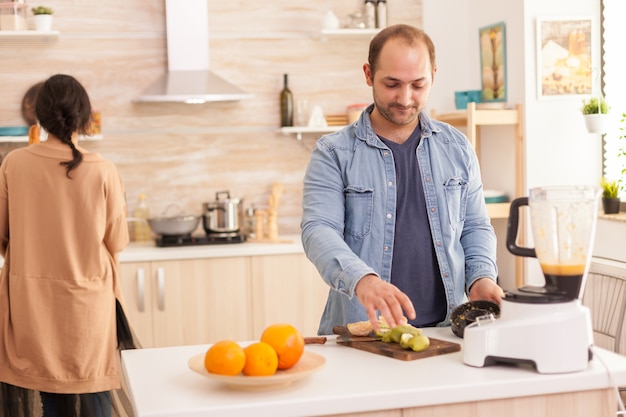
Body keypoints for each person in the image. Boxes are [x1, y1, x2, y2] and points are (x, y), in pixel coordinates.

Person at [301, 24, 504, 336]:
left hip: (445, 333)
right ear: (368, 75)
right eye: (392, 84)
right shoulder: (334, 152)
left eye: (418, 85)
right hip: (363, 335)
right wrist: (362, 280)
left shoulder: (458, 147)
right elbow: (318, 230)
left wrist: (481, 278)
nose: (405, 98)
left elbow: (475, 227)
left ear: (433, 75)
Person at [0, 74, 133, 417]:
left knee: (51, 401)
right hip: (87, 309)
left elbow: (2, 236)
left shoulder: (14, 164)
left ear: (39, 117)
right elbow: (117, 240)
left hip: (33, 307)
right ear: (84, 116)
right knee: (96, 397)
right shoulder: (103, 170)